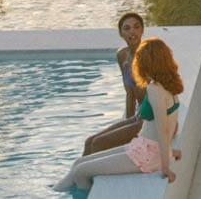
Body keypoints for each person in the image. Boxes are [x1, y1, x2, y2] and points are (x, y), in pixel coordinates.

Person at [53, 37, 183, 191]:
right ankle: (54, 192)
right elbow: (169, 122)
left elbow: (163, 130)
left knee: (81, 172)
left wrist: (165, 167)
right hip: (143, 147)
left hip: (148, 155)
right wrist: (169, 151)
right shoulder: (169, 85)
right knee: (78, 163)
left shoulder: (155, 90)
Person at [81, 12, 147, 156]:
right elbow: (130, 93)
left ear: (142, 30)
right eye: (127, 28)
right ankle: (80, 176)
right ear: (121, 33)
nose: (132, 32)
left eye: (136, 27)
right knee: (89, 142)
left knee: (98, 143)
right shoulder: (122, 55)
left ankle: (86, 175)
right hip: (138, 116)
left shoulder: (149, 55)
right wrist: (127, 122)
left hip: (151, 119)